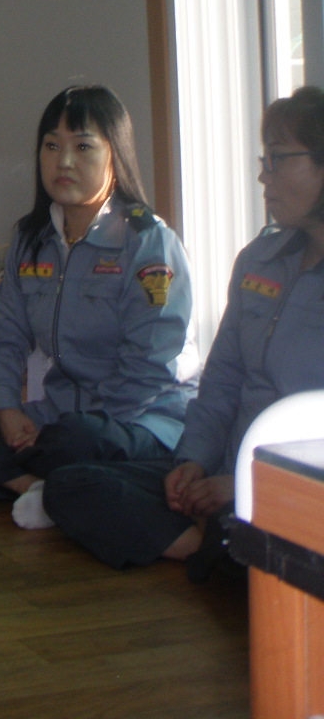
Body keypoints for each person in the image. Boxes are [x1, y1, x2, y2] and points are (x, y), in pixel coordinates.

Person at [44, 85, 324, 570]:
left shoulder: (148, 240)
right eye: (264, 160)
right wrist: (192, 464)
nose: (264, 175)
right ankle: (213, 545)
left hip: (296, 491)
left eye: (278, 160)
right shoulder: (259, 259)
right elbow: (222, 382)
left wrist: (240, 486)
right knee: (71, 485)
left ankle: (228, 545)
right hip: (223, 472)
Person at [0, 86, 198, 529]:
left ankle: (46, 484)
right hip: (58, 418)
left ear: (115, 155)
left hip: (138, 420)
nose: (64, 162)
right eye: (52, 146)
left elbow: (151, 369)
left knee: (76, 441)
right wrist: (6, 410)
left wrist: (75, 427)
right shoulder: (31, 240)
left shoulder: (148, 243)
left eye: (83, 147)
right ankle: (38, 489)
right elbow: (4, 336)